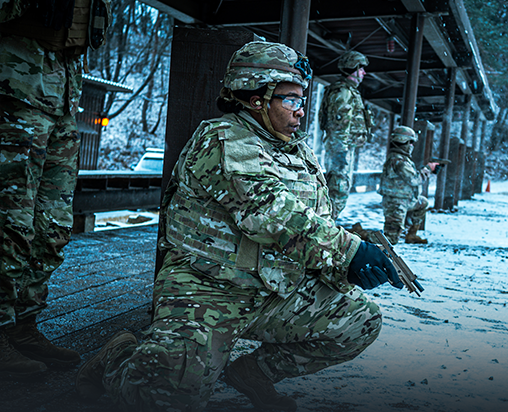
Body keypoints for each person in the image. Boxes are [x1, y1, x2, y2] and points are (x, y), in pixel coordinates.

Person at [75, 41, 403, 412]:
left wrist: (339, 268)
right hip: (208, 290)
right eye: (291, 100)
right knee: (164, 400)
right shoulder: (224, 139)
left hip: (273, 290)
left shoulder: (296, 151)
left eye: (302, 99)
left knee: (360, 321)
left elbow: (315, 221)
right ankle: (119, 357)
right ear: (256, 99)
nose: (301, 110)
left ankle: (253, 374)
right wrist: (349, 251)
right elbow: (268, 212)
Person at [0, 0, 111, 377]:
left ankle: (22, 326)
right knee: (9, 224)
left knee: (53, 228)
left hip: (62, 97)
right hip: (13, 92)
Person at [319, 50, 374, 220]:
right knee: (338, 190)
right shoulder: (343, 92)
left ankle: (327, 225)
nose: (364, 73)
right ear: (352, 68)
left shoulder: (348, 91)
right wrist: (340, 153)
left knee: (339, 189)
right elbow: (339, 125)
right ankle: (325, 227)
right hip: (340, 148)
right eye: (361, 68)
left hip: (343, 148)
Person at [378, 126, 438, 245]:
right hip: (396, 202)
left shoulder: (402, 158)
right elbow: (414, 180)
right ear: (402, 141)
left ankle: (412, 234)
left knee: (423, 203)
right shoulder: (398, 160)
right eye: (410, 142)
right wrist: (427, 169)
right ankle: (358, 236)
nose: (411, 146)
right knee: (390, 238)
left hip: (405, 199)